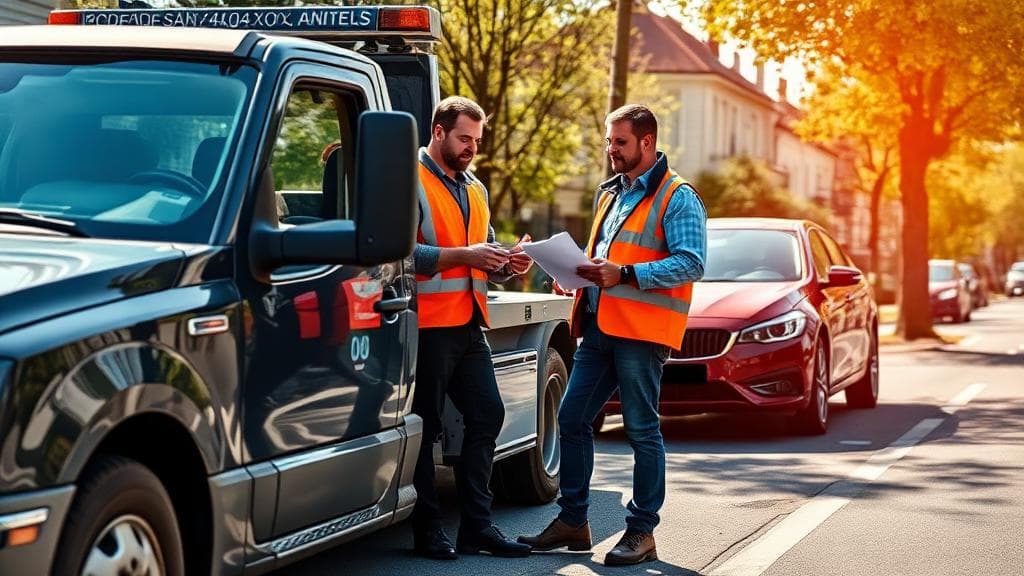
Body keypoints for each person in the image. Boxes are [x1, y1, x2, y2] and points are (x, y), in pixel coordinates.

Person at [518, 104, 706, 566]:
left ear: (646, 142)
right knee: (571, 418)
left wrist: (622, 273)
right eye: (608, 141)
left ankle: (642, 532)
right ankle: (573, 522)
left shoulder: (677, 196)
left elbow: (691, 262)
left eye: (619, 142)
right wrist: (572, 274)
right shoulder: (612, 193)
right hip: (600, 326)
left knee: (642, 432)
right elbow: (600, 258)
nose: (610, 150)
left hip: (641, 333)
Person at [411, 96, 534, 560]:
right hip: (425, 326)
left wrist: (507, 261)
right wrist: (466, 256)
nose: (471, 149)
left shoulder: (476, 188)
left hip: (469, 324)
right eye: (464, 138)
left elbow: (479, 255)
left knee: (488, 415)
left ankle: (477, 528)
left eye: (477, 141)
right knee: (425, 427)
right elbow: (398, 253)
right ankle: (427, 529)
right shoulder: (409, 181)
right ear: (438, 131)